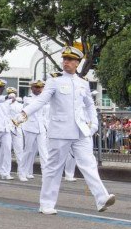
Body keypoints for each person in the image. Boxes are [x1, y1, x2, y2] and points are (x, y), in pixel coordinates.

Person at [14, 45, 116, 214]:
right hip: (60, 130)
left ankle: (101, 198)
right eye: (65, 59)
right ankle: (46, 204)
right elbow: (41, 100)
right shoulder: (55, 80)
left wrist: (94, 124)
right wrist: (24, 113)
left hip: (80, 131)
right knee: (54, 168)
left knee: (89, 164)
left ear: (77, 63)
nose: (66, 62)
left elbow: (89, 105)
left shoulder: (83, 82)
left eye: (70, 60)